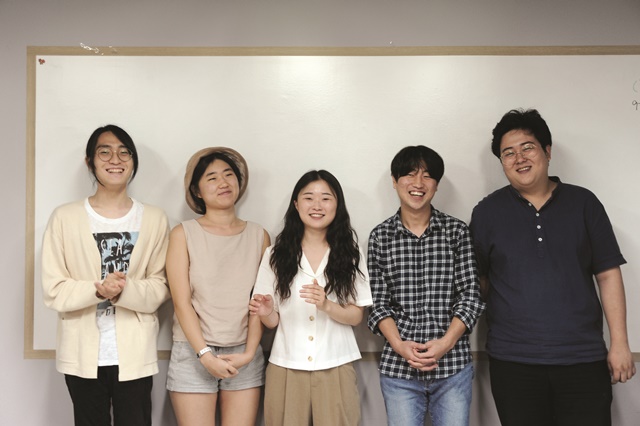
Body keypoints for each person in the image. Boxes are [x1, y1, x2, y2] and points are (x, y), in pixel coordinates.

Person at [470, 108, 636, 426]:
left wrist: (620, 344)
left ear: (547, 151)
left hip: (582, 357)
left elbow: (608, 274)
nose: (519, 158)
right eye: (508, 153)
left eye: (527, 147)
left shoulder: (584, 203)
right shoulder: (486, 213)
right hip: (513, 361)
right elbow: (479, 282)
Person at [42, 124, 170, 426]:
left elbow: (160, 286)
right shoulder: (64, 217)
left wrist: (123, 291)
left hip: (135, 352)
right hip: (81, 351)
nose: (115, 159)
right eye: (105, 152)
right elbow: (53, 289)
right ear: (90, 162)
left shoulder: (154, 218)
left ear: (133, 162)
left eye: (124, 152)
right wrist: (99, 290)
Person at [367, 145, 485, 426]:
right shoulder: (380, 237)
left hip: (453, 367)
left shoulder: (456, 231)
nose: (418, 183)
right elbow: (377, 303)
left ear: (436, 184)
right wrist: (399, 345)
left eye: (427, 176)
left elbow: (470, 295)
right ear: (395, 181)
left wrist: (445, 343)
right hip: (399, 370)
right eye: (409, 174)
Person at [249, 170, 372, 426]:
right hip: (286, 364)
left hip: (335, 363)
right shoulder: (275, 254)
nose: (317, 205)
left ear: (337, 205)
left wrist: (326, 305)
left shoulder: (351, 253)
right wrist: (266, 312)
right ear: (296, 204)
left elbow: (355, 316)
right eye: (308, 198)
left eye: (326, 198)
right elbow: (272, 322)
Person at [166, 147, 270, 426]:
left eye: (228, 175)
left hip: (245, 351)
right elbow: (181, 302)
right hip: (193, 351)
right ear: (197, 191)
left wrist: (249, 353)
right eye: (211, 178)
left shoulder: (259, 235)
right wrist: (205, 355)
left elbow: (260, 302)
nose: (223, 183)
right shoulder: (182, 234)